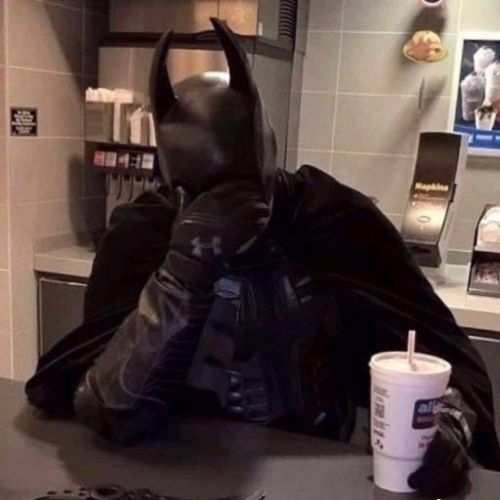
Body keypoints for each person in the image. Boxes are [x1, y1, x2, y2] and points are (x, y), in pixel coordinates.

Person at [26, 18, 500, 497]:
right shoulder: (144, 233)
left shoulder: (333, 219)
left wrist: (447, 421)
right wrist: (184, 270)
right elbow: (109, 406)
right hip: (169, 463)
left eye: (244, 193)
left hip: (319, 466)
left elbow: (442, 359)